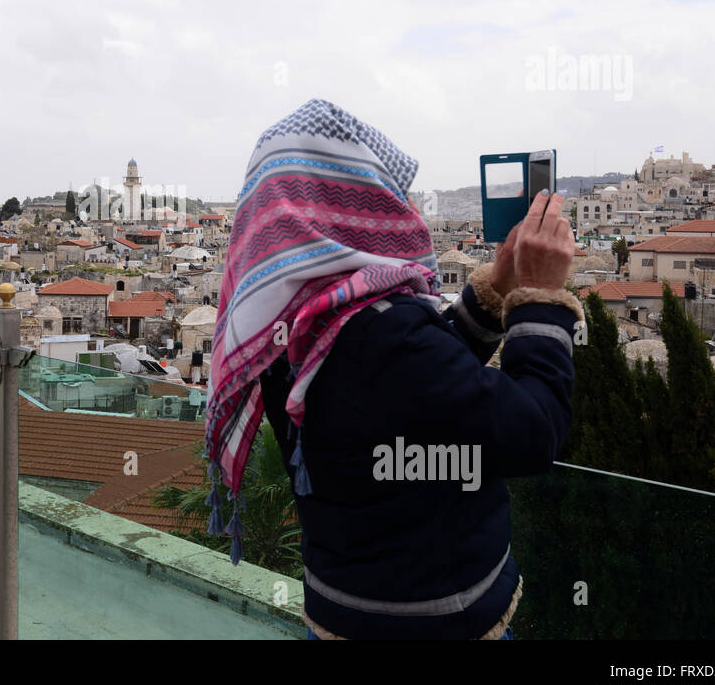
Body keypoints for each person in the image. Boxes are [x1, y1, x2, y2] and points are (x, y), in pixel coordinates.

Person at [204, 99, 582, 640]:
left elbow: (415, 394)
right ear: (353, 198)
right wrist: (540, 296)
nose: (404, 203)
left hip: (343, 610)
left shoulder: (291, 319)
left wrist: (494, 288)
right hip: (436, 622)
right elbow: (533, 432)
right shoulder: (378, 329)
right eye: (387, 187)